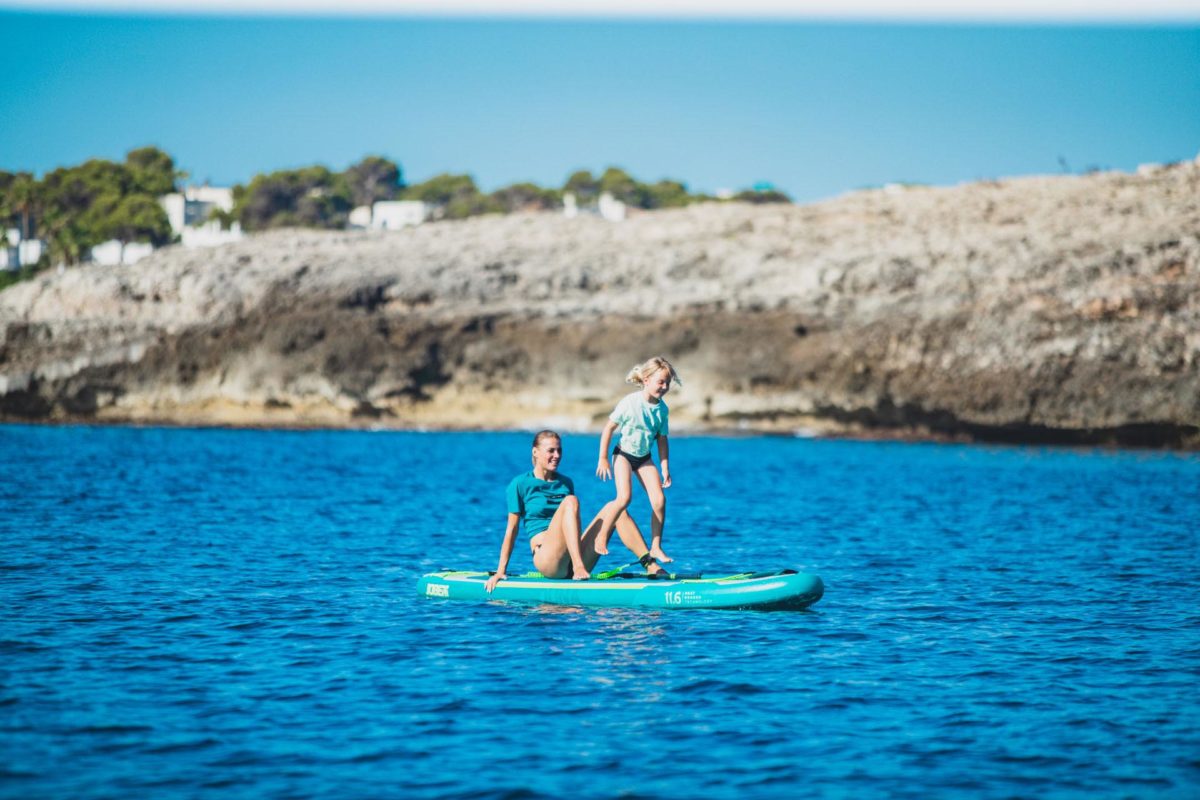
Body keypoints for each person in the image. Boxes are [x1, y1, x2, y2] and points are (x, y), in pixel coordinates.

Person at [485, 430, 666, 592]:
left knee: (616, 509)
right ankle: (578, 567)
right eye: (551, 451)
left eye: (559, 450)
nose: (557, 455)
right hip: (548, 560)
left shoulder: (566, 482)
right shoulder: (519, 484)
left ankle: (649, 564)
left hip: (575, 554)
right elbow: (512, 530)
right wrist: (501, 571)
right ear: (535, 452)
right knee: (570, 501)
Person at [594, 356, 681, 563]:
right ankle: (601, 536)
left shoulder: (662, 410)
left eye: (667, 383)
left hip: (644, 458)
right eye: (660, 382)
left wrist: (665, 467)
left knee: (659, 500)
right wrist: (603, 458)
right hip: (623, 455)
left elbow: (662, 440)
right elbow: (608, 428)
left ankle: (656, 547)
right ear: (646, 380)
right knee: (624, 498)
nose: (664, 386)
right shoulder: (630, 403)